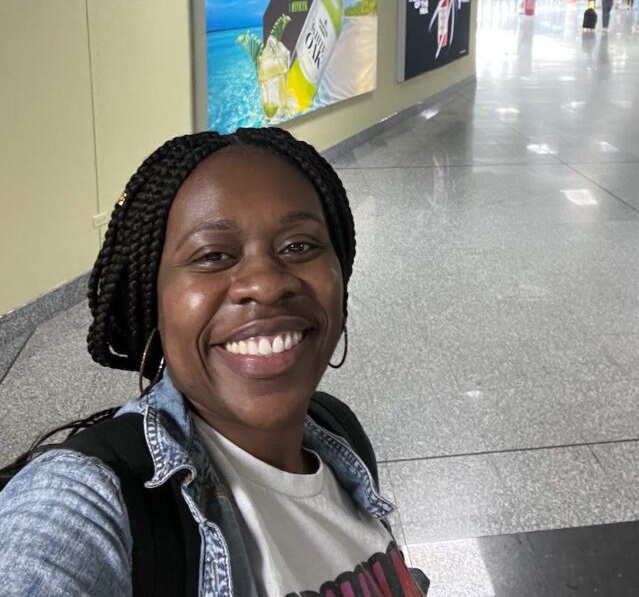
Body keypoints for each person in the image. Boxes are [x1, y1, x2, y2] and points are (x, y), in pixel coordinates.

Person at [0, 128, 427, 597]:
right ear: (154, 300)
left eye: (299, 246)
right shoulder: (87, 502)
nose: (265, 284)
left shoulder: (336, 433)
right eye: (213, 255)